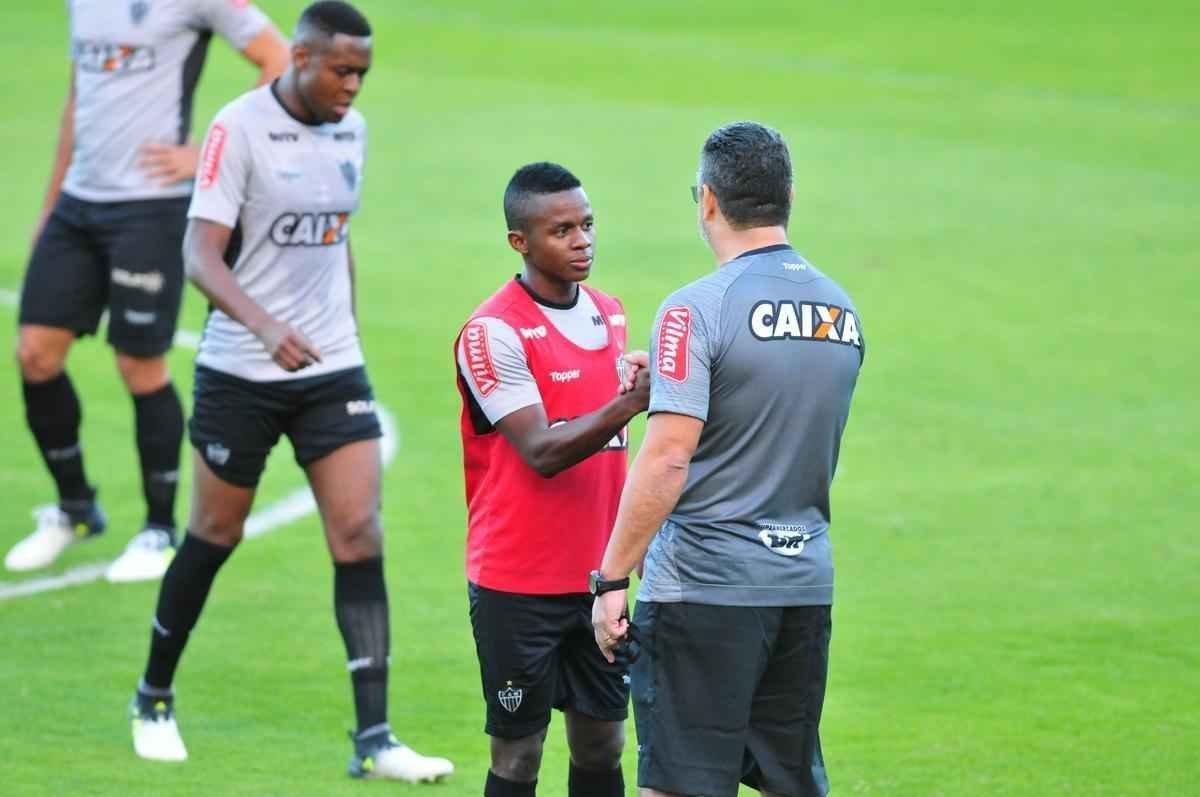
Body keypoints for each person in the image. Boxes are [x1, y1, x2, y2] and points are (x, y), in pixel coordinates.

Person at [126, 2, 453, 783]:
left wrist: (349, 334)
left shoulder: (354, 131)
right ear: (299, 58)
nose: (353, 86)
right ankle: (153, 694)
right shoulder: (238, 129)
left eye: (363, 74)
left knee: (360, 532)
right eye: (342, 70)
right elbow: (200, 255)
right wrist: (267, 325)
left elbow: (337, 241)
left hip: (329, 366)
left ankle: (374, 737)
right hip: (242, 367)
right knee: (214, 531)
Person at [592, 122, 866, 797]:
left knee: (677, 785)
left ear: (708, 200)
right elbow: (772, 403)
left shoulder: (695, 309)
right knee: (786, 782)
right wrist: (675, 379)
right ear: (789, 197)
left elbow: (665, 462)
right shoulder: (840, 308)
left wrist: (611, 578)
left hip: (705, 589)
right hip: (803, 585)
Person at [6, 0, 291, 583]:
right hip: (78, 206)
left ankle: (158, 528)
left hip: (150, 209)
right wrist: (50, 201)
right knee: (35, 354)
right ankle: (75, 508)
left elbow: (278, 59)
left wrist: (206, 155)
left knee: (139, 364)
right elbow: (78, 96)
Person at [455, 162, 650, 797]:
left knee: (603, 744)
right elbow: (540, 450)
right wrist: (630, 403)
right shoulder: (493, 333)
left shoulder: (611, 316)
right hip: (519, 582)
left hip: (600, 579)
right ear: (520, 242)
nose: (582, 241)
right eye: (561, 230)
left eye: (587, 225)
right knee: (518, 756)